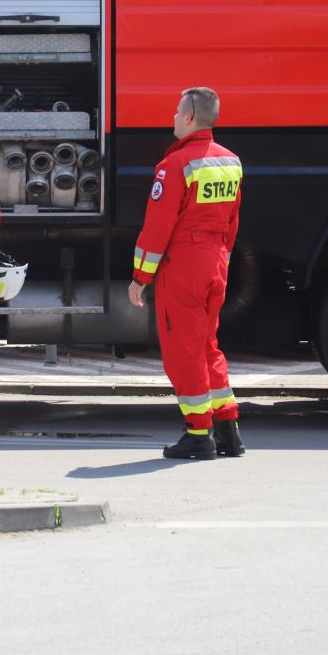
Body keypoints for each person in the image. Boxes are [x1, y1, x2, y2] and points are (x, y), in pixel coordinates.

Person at [127, 86, 246, 460]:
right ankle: (228, 430)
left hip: (185, 264)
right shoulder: (231, 162)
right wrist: (221, 256)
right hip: (216, 261)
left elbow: (158, 227)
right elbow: (232, 221)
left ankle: (198, 435)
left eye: (178, 112)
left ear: (191, 118)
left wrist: (140, 278)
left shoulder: (174, 165)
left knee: (183, 352)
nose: (174, 118)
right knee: (208, 347)